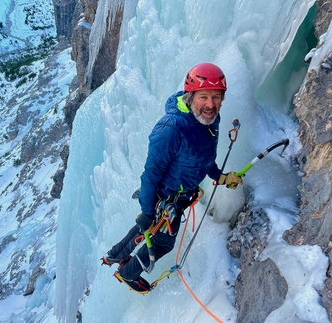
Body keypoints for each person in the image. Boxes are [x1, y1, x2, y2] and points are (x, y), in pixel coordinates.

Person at [102, 62, 243, 292]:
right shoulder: (171, 129)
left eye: (216, 97)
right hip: (167, 197)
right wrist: (147, 212)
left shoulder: (210, 121)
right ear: (190, 96)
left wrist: (221, 177)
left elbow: (204, 158)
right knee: (161, 243)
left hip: (176, 196)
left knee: (146, 229)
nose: (211, 105)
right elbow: (151, 174)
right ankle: (127, 273)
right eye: (203, 97)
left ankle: (115, 255)